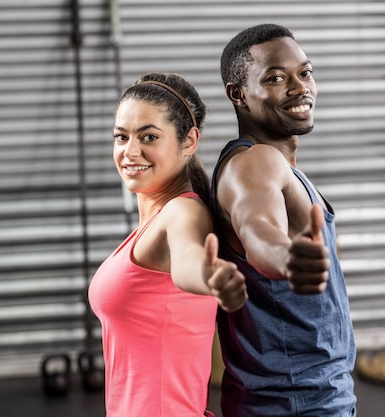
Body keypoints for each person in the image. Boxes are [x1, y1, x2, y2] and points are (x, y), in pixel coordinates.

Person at [210, 24, 357, 416]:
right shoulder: (255, 163)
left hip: (300, 395)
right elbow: (257, 226)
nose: (299, 88)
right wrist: (285, 257)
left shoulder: (273, 164)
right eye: (276, 78)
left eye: (305, 73)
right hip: (297, 402)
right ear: (238, 94)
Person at [88, 72, 248, 416]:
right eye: (121, 136)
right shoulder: (155, 218)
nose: (130, 151)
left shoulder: (182, 212)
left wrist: (209, 276)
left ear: (189, 141)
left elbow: (188, 260)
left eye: (148, 136)